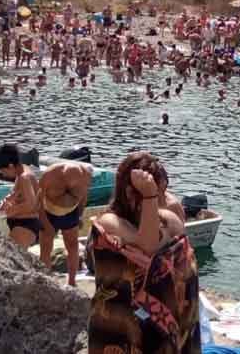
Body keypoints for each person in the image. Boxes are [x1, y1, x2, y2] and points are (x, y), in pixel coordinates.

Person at [87, 152, 199, 354]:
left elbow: (171, 250)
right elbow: (149, 246)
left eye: (162, 191)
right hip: (119, 323)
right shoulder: (110, 222)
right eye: (157, 193)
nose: (163, 199)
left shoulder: (167, 217)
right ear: (130, 193)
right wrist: (149, 197)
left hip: (163, 326)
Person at [38, 159, 93, 287]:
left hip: (71, 213)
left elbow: (83, 197)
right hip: (49, 212)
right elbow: (38, 200)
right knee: (45, 249)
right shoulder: (50, 174)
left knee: (73, 247)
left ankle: (72, 282)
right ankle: (46, 282)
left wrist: (79, 216)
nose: (71, 185)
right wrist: (45, 222)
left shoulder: (85, 175)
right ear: (63, 174)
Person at [0, 144, 41, 248]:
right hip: (24, 225)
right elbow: (21, 195)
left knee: (9, 255)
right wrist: (8, 200)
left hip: (26, 226)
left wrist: (10, 211)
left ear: (10, 166)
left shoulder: (24, 177)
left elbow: (32, 205)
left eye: (3, 171)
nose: (3, 175)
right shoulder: (22, 172)